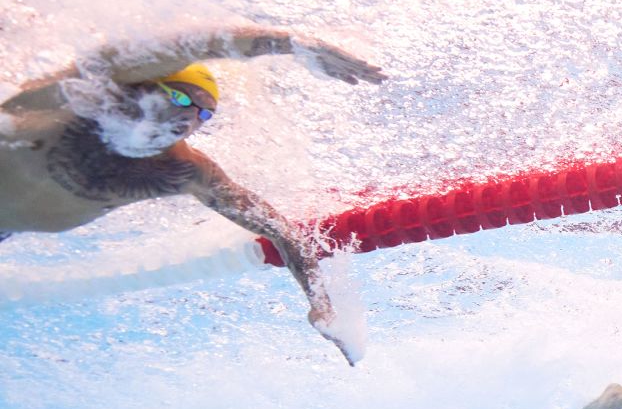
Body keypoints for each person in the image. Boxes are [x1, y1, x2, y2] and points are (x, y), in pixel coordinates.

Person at [0, 27, 386, 364]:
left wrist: (320, 303)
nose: (189, 119)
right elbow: (197, 44)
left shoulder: (182, 171)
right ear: (140, 85)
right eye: (183, 99)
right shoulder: (74, 96)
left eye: (204, 115)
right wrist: (294, 44)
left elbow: (282, 232)